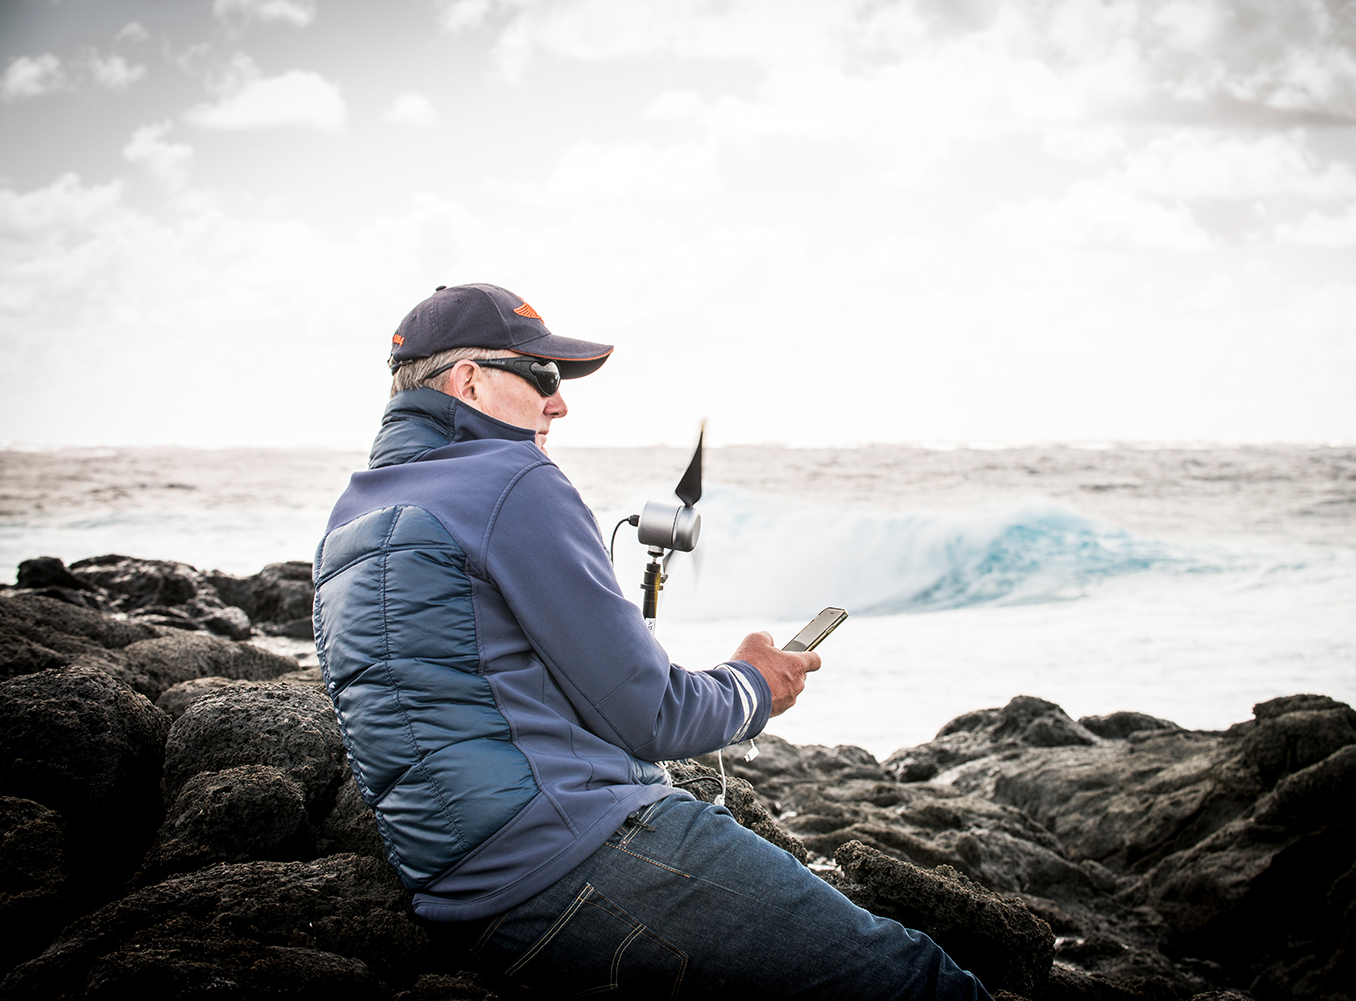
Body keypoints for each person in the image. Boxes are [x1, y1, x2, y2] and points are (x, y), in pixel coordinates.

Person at [313, 283, 988, 998]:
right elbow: (653, 716)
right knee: (917, 978)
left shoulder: (346, 522)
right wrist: (754, 683)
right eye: (541, 377)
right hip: (569, 861)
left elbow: (474, 690)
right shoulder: (510, 478)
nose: (560, 402)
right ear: (468, 380)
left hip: (463, 897)